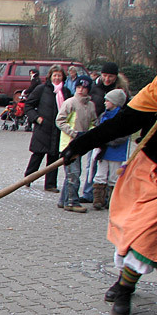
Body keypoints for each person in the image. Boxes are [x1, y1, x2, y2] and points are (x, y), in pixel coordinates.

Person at [61, 74, 157, 315]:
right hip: (150, 172)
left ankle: (125, 283)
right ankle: (126, 283)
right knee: (141, 229)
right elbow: (123, 123)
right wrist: (82, 144)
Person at [81, 62, 131, 204]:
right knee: (93, 164)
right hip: (96, 128)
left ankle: (109, 198)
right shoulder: (95, 87)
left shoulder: (122, 92)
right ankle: (89, 193)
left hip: (111, 137)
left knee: (111, 172)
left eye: (110, 76)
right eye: (105, 75)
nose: (107, 79)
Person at [23, 64, 72, 193]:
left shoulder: (66, 92)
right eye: (54, 75)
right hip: (43, 127)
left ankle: (50, 184)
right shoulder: (41, 89)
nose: (57, 78)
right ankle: (28, 178)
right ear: (50, 76)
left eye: (59, 75)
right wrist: (36, 118)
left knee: (53, 157)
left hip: (57, 129)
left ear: (63, 77)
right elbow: (28, 105)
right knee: (38, 154)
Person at [55, 75, 97, 213]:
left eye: (84, 88)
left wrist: (89, 135)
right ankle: (72, 201)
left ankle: (64, 200)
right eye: (78, 87)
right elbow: (60, 121)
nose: (80, 90)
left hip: (81, 144)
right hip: (69, 144)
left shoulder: (91, 105)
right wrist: (74, 133)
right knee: (74, 173)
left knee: (71, 174)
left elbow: (93, 123)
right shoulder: (70, 103)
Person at [91, 89, 128, 210]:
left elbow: (123, 136)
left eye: (108, 100)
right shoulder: (103, 115)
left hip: (116, 152)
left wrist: (108, 141)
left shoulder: (123, 117)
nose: (105, 102)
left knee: (114, 177)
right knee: (100, 174)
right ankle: (98, 199)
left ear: (115, 102)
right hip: (103, 151)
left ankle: (112, 200)